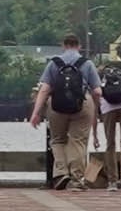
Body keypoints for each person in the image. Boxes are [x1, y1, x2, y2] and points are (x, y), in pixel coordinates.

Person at [31, 32, 96, 191]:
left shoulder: (54, 63)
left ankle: (61, 173)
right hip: (82, 104)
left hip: (56, 105)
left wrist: (36, 112)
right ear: (79, 46)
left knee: (57, 140)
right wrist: (96, 107)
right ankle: (76, 180)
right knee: (78, 141)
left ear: (63, 45)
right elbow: (98, 91)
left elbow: (45, 89)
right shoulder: (87, 63)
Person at [92, 56, 121, 189]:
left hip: (108, 108)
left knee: (110, 144)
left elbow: (95, 111)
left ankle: (112, 182)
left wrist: (95, 135)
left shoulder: (97, 79)